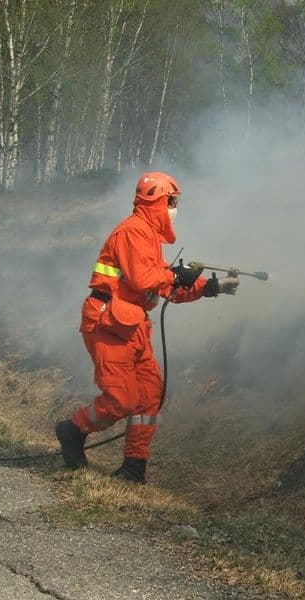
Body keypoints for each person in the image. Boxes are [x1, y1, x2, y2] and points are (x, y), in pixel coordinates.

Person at [55, 172, 238, 483]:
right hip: (107, 325)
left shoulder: (149, 238)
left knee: (150, 395)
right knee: (121, 400)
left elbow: (166, 289)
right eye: (173, 201)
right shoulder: (131, 232)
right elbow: (143, 279)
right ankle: (73, 430)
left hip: (133, 326)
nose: (175, 208)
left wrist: (211, 287)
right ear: (159, 200)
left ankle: (133, 467)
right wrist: (176, 274)